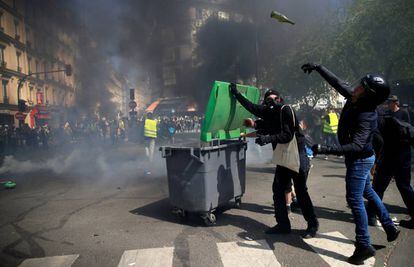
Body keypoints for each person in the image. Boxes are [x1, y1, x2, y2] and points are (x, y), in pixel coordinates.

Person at [302, 63, 400, 265]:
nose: (355, 88)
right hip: (364, 157)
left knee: (354, 200)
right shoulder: (356, 97)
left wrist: (325, 149)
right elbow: (337, 81)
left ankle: (363, 244)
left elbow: (356, 146)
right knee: (368, 192)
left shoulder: (367, 115)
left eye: (361, 88)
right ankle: (389, 227)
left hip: (360, 159)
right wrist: (318, 67)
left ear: (369, 96)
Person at [229, 83, 319, 238]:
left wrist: (267, 138)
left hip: (297, 155)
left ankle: (312, 225)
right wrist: (236, 94)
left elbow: (287, 135)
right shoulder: (269, 116)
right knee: (278, 190)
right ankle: (283, 224)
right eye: (268, 100)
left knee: (301, 191)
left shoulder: (286, 110)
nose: (271, 102)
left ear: (280, 99)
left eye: (274, 99)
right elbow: (253, 111)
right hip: (283, 157)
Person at [367, 95, 414, 229]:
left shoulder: (382, 116)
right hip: (404, 153)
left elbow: (379, 141)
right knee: (404, 186)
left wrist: (375, 161)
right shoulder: (390, 114)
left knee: (378, 187)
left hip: (390, 154)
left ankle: (371, 214)